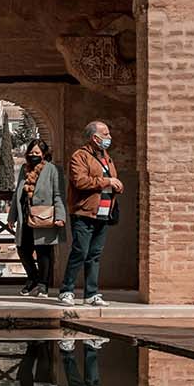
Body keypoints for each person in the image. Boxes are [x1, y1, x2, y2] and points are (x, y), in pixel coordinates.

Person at [60, 120, 123, 307]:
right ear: (95, 138)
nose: (109, 137)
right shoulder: (79, 157)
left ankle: (91, 293)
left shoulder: (107, 157)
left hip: (104, 212)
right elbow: (80, 181)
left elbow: (112, 179)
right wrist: (107, 182)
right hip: (84, 212)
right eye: (106, 134)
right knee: (80, 251)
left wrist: (117, 184)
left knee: (95, 254)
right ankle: (67, 290)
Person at [6, 138, 65, 297]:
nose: (34, 155)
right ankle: (33, 278)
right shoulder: (24, 169)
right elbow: (17, 194)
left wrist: (60, 216)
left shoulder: (53, 170)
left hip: (44, 216)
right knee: (22, 249)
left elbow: (58, 194)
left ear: (44, 154)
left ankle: (43, 285)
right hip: (25, 215)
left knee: (43, 251)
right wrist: (12, 216)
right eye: (31, 152)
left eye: (37, 153)